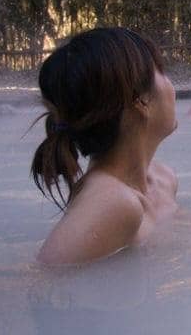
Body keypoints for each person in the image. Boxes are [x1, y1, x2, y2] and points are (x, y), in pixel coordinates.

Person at [30, 27, 178, 266]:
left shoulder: (162, 180)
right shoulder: (114, 201)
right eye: (162, 71)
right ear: (140, 100)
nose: (172, 87)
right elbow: (43, 282)